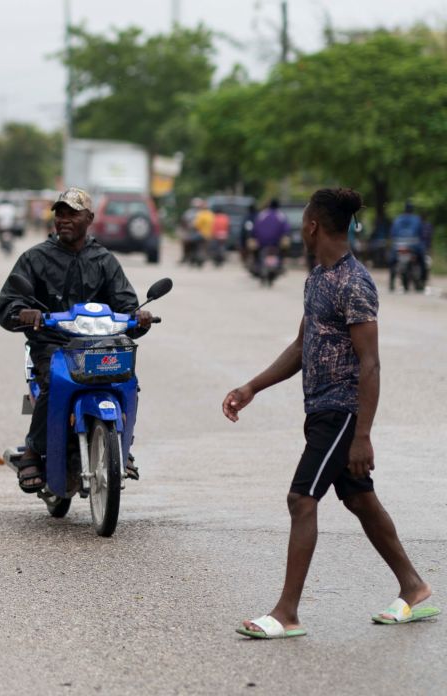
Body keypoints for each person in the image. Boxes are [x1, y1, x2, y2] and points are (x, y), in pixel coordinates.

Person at [222, 188, 438, 639]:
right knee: (358, 498)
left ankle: (287, 612)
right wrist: (251, 387)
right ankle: (414, 587)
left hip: (342, 411)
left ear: (314, 226)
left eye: (303, 221)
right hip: (320, 409)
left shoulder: (354, 282)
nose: (301, 228)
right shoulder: (318, 278)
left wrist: (363, 434)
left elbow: (371, 363)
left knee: (301, 499)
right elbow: (303, 346)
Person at [0, 187, 154, 492]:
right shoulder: (35, 258)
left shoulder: (104, 260)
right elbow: (8, 305)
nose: (64, 220)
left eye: (72, 214)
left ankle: (123, 446)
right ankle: (32, 451)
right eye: (60, 214)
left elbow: (126, 304)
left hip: (99, 345)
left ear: (90, 218)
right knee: (52, 383)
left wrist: (138, 317)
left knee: (129, 382)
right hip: (52, 344)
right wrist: (23, 312)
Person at [388, 201, 428, 290]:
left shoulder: (397, 219)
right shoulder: (417, 219)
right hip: (414, 245)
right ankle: (422, 279)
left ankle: (391, 281)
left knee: (392, 261)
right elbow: (422, 234)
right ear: (412, 209)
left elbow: (392, 233)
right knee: (422, 261)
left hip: (398, 245)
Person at [252, 198, 291, 262]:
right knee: (286, 243)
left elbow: (255, 228)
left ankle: (256, 260)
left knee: (252, 246)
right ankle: (282, 260)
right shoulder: (281, 215)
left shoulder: (262, 214)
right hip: (276, 242)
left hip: (262, 242)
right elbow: (286, 230)